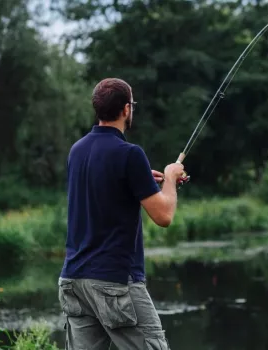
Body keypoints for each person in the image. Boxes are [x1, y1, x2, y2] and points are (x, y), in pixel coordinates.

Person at [57, 78, 184, 349]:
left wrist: (138, 182)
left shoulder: (77, 151)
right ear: (127, 109)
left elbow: (105, 189)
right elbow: (164, 216)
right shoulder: (130, 154)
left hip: (73, 281)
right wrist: (171, 177)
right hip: (114, 280)